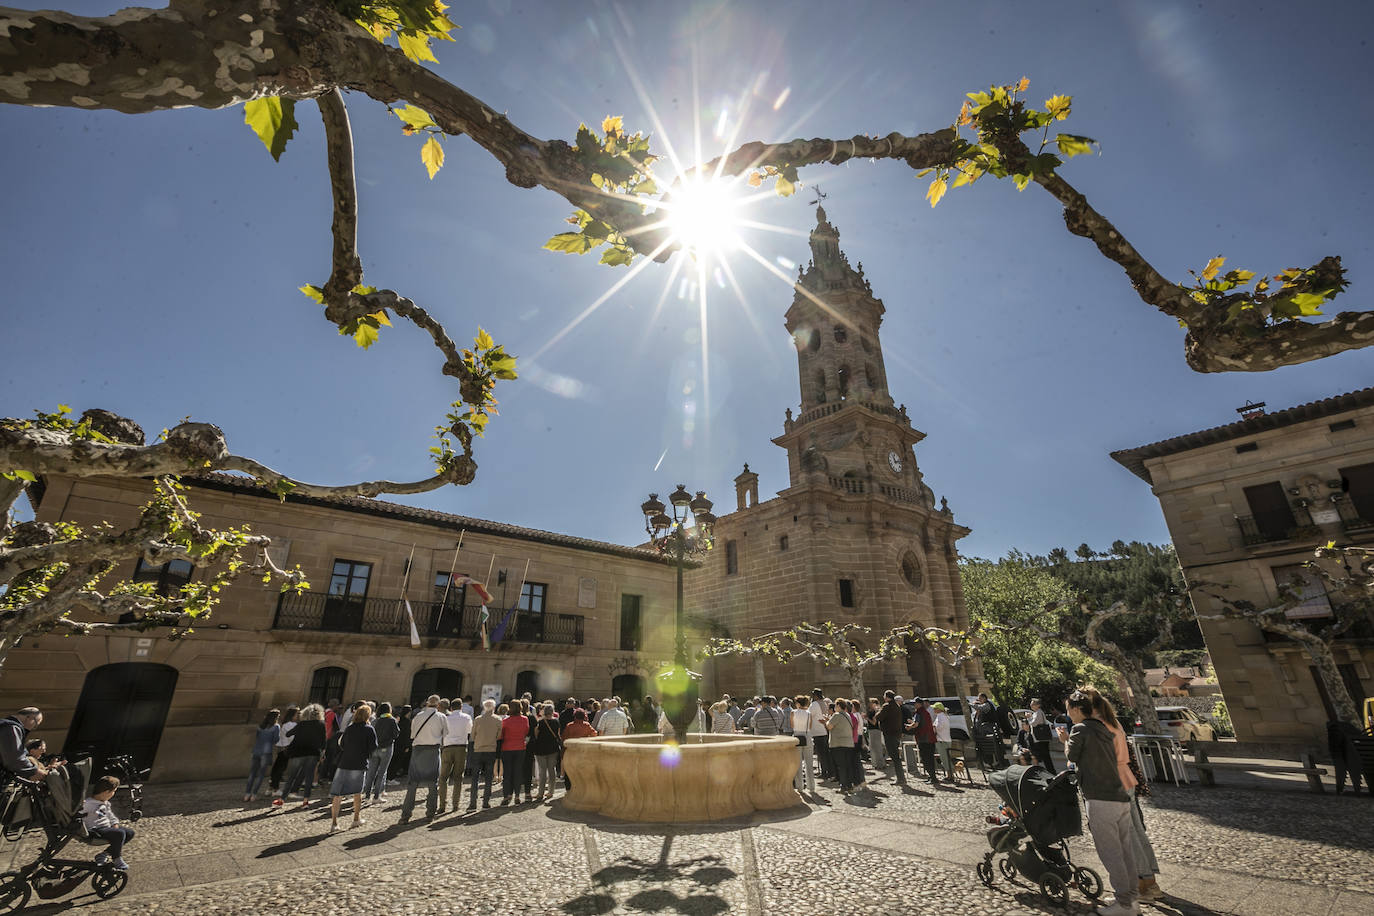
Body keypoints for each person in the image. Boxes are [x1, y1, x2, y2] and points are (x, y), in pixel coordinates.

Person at [1058, 689, 1139, 916]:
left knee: (1110, 852)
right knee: (1125, 850)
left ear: (1075, 709)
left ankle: (1124, 904)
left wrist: (1065, 740)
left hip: (1100, 797)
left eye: (1068, 709)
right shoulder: (1104, 726)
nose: (1068, 713)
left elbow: (1072, 757)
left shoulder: (1080, 729)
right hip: (1119, 795)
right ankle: (1131, 898)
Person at [401, 694, 448, 823]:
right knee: (433, 784)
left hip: (418, 750)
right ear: (438, 705)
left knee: (412, 784)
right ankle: (430, 813)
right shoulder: (441, 717)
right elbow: (446, 734)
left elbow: (412, 733)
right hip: (433, 751)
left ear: (427, 703)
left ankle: (405, 815)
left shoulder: (418, 716)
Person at [329, 703, 376, 832]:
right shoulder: (369, 729)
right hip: (359, 763)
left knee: (337, 795)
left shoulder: (350, 728)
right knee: (357, 793)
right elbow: (373, 747)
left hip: (344, 762)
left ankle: (334, 823)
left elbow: (342, 744)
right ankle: (356, 819)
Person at [277, 703, 326, 807]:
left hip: (298, 752)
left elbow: (288, 734)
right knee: (309, 777)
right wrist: (322, 754)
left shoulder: (302, 724)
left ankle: (282, 799)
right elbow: (323, 742)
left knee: (292, 776)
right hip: (313, 753)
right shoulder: (321, 725)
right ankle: (305, 801)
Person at [82, 775, 133, 870]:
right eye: (113, 791)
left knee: (129, 833)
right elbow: (79, 814)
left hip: (106, 827)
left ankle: (104, 854)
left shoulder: (105, 803)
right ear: (106, 792)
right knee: (120, 834)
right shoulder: (88, 804)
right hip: (95, 829)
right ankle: (117, 858)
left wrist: (115, 823)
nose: (114, 793)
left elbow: (110, 815)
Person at [438, 697, 472, 814]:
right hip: (461, 748)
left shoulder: (446, 718)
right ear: (461, 707)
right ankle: (455, 804)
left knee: (443, 777)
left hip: (447, 748)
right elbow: (469, 731)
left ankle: (442, 805)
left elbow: (441, 732)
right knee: (458, 777)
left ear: (451, 708)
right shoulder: (466, 717)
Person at [468, 698, 502, 810]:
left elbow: (472, 736)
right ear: (494, 708)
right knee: (488, 777)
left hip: (478, 749)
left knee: (475, 777)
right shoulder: (498, 720)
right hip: (491, 750)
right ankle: (486, 802)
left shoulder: (478, 719)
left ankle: (472, 803)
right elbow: (499, 736)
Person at [363, 702, 398, 803]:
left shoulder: (375, 721)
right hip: (386, 749)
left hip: (375, 749)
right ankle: (376, 796)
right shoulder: (391, 720)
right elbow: (396, 734)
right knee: (381, 773)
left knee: (371, 773)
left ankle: (367, 795)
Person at [0, 707, 47, 780]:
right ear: (28, 717)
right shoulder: (11, 728)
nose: (33, 728)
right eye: (35, 725)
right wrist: (33, 771)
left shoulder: (7, 725)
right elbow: (14, 759)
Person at [499, 699, 530, 806]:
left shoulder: (505, 721)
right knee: (518, 772)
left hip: (507, 748)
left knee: (507, 773)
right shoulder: (525, 719)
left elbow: (501, 736)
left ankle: (506, 796)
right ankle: (517, 795)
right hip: (520, 748)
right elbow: (526, 732)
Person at [245, 709, 280, 802]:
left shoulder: (260, 726)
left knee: (252, 774)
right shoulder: (276, 727)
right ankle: (254, 794)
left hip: (256, 750)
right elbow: (276, 740)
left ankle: (247, 794)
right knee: (261, 775)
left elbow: (257, 737)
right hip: (266, 752)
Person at [530, 702, 562, 802]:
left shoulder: (541, 722)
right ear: (552, 712)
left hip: (541, 749)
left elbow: (536, 734)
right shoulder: (557, 722)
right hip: (553, 748)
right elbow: (558, 734)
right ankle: (551, 792)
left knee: (542, 771)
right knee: (552, 770)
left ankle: (540, 793)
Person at [560, 708, 597, 791]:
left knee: (569, 771)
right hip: (583, 752)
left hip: (571, 752)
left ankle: (569, 789)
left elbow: (564, 738)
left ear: (575, 716)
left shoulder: (569, 726)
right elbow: (594, 734)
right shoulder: (586, 725)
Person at [875, 691, 907, 785]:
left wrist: (878, 710)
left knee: (895, 757)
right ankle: (901, 778)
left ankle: (901, 779)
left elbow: (879, 717)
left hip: (889, 734)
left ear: (887, 697)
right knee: (896, 756)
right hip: (896, 734)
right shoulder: (897, 706)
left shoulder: (887, 706)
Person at [908, 698, 940, 788]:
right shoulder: (925, 712)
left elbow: (916, 724)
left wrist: (909, 727)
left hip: (924, 739)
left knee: (926, 758)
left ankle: (933, 778)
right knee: (929, 758)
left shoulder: (919, 713)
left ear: (919, 704)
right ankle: (931, 777)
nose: (914, 705)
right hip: (929, 739)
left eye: (915, 703)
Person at [826, 698, 856, 794]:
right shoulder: (847, 715)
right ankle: (849, 785)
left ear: (838, 706)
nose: (834, 708)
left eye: (835, 705)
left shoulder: (837, 715)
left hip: (839, 744)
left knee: (841, 766)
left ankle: (843, 786)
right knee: (847, 765)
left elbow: (829, 726)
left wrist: (827, 720)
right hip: (848, 743)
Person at [1328, 719, 1364, 796]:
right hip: (1354, 753)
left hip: (1341, 749)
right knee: (1351, 764)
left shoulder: (1335, 732)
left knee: (1342, 766)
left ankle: (1341, 788)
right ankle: (1355, 789)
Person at [268, 706, 298, 798]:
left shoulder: (285, 724)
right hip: (286, 748)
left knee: (277, 768)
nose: (297, 716)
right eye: (297, 714)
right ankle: (275, 789)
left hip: (282, 748)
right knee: (280, 769)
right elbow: (291, 738)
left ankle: (271, 787)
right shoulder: (291, 725)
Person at [790, 694, 816, 793]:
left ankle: (800, 786)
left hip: (797, 736)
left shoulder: (793, 712)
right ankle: (811, 786)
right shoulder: (809, 713)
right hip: (807, 736)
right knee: (809, 763)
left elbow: (792, 725)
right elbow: (810, 726)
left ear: (797, 703)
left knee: (798, 763)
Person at [806, 689, 831, 780]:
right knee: (824, 753)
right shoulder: (824, 703)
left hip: (817, 731)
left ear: (816, 696)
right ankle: (827, 770)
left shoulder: (815, 704)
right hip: (824, 730)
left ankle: (824, 772)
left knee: (821, 753)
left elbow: (808, 715)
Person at [1028, 698, 1056, 774]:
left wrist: (1029, 718)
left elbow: (1033, 723)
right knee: (1044, 757)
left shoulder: (1039, 713)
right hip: (1039, 739)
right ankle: (1050, 772)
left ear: (1038, 705)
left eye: (1033, 704)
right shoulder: (1036, 713)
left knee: (1046, 757)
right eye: (1031, 703)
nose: (1031, 705)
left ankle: (1051, 772)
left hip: (1041, 739)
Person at [931, 702, 955, 782]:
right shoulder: (943, 716)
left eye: (935, 708)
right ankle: (950, 775)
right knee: (946, 758)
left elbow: (939, 727)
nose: (934, 709)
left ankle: (950, 776)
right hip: (945, 739)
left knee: (945, 758)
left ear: (939, 709)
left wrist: (933, 727)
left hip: (942, 740)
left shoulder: (941, 717)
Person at [389, 705, 414, 781]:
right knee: (397, 762)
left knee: (392, 761)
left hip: (396, 743)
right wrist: (407, 746)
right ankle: (391, 777)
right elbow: (407, 735)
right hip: (403, 745)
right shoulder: (407, 722)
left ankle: (389, 776)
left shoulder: (399, 720)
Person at [865, 698, 887, 770]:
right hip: (871, 730)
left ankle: (880, 764)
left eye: (871, 703)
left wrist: (867, 718)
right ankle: (875, 763)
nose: (869, 704)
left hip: (875, 730)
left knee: (877, 747)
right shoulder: (871, 711)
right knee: (873, 747)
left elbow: (874, 722)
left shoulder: (876, 712)